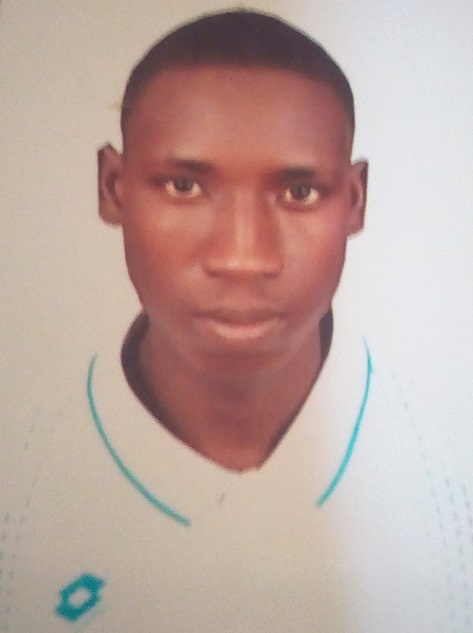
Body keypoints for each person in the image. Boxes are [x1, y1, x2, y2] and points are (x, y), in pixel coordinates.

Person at [2, 10, 471, 633]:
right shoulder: (18, 484)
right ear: (113, 188)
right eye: (183, 186)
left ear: (356, 200)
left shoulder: (453, 476)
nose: (243, 258)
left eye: (299, 193)